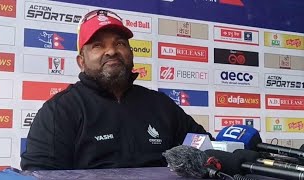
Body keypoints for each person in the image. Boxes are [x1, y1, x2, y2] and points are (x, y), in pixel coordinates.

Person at [20, 9, 213, 170]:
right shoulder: (59, 111)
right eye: (98, 45)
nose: (111, 51)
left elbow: (206, 148)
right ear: (81, 61)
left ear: (131, 54)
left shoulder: (161, 105)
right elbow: (40, 174)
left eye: (119, 43)